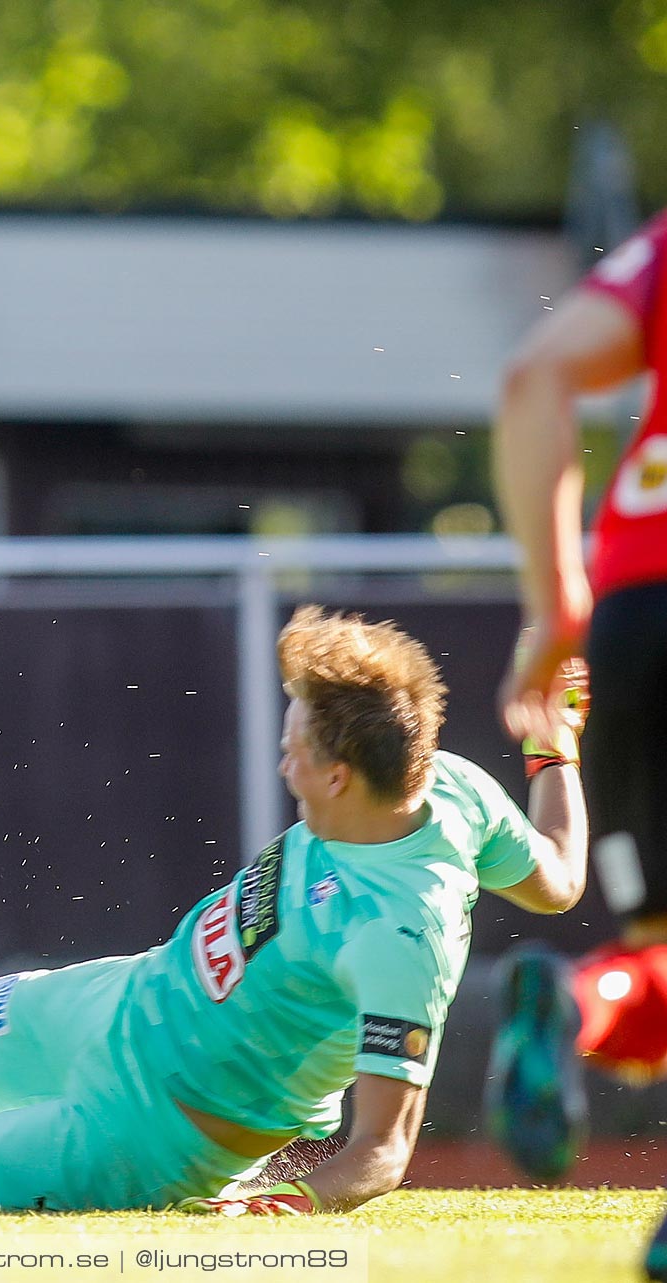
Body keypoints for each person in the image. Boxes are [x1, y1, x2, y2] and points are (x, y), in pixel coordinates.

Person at [0, 606, 586, 1215]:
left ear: (343, 775)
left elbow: (383, 1150)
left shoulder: (398, 935)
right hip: (124, 1000)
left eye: (294, 749)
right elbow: (558, 874)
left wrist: (277, 1205)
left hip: (149, 1133)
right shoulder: (452, 781)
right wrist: (554, 749)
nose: (284, 760)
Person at [487, 205, 667, 1276]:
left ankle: (575, 1000)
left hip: (638, 606)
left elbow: (533, 379)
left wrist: (556, 603)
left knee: (659, 952)